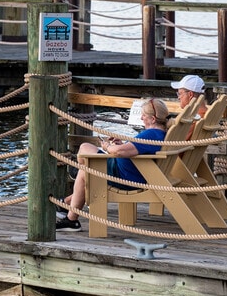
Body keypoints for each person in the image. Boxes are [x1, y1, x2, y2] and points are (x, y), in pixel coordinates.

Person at [56, 98, 171, 232]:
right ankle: (74, 198)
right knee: (85, 148)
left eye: (144, 115)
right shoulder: (160, 133)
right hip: (131, 171)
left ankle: (72, 219)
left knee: (85, 169)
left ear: (152, 119)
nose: (141, 118)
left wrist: (108, 146)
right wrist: (122, 144)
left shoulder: (151, 134)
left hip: (124, 176)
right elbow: (135, 150)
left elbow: (117, 152)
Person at [171, 74, 209, 139]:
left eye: (180, 93)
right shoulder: (207, 114)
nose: (178, 97)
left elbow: (176, 140)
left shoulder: (192, 119)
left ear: (190, 94)